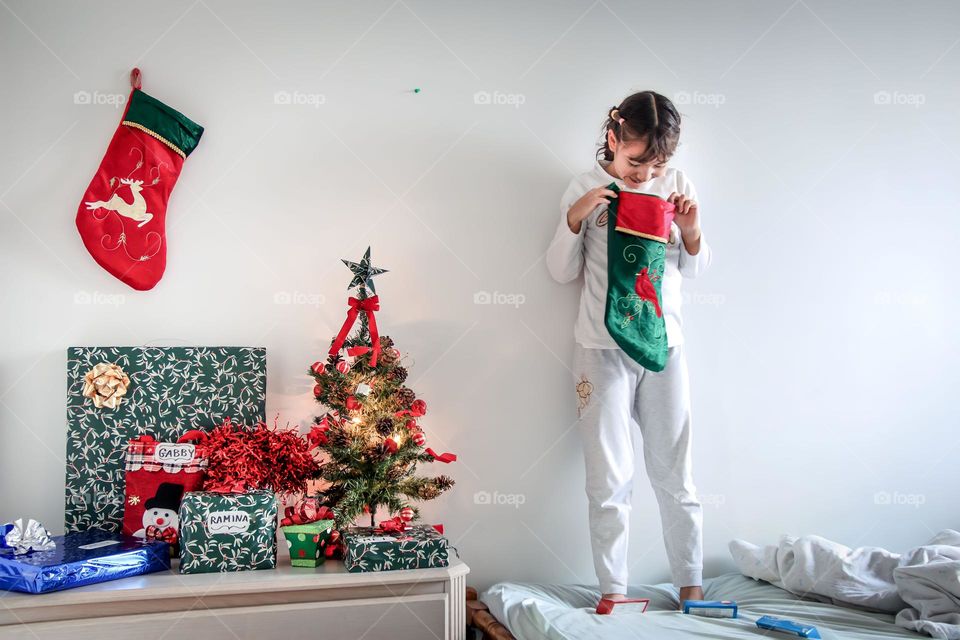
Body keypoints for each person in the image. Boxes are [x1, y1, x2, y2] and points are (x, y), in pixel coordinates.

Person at [546, 90, 713, 610]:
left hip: (666, 346)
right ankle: (613, 591)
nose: (644, 174)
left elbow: (697, 271)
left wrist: (691, 232)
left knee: (675, 470)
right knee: (610, 475)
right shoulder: (584, 187)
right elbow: (560, 271)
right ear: (614, 139)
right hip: (601, 348)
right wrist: (573, 219)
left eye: (656, 164)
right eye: (635, 161)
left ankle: (692, 585)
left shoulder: (677, 186)